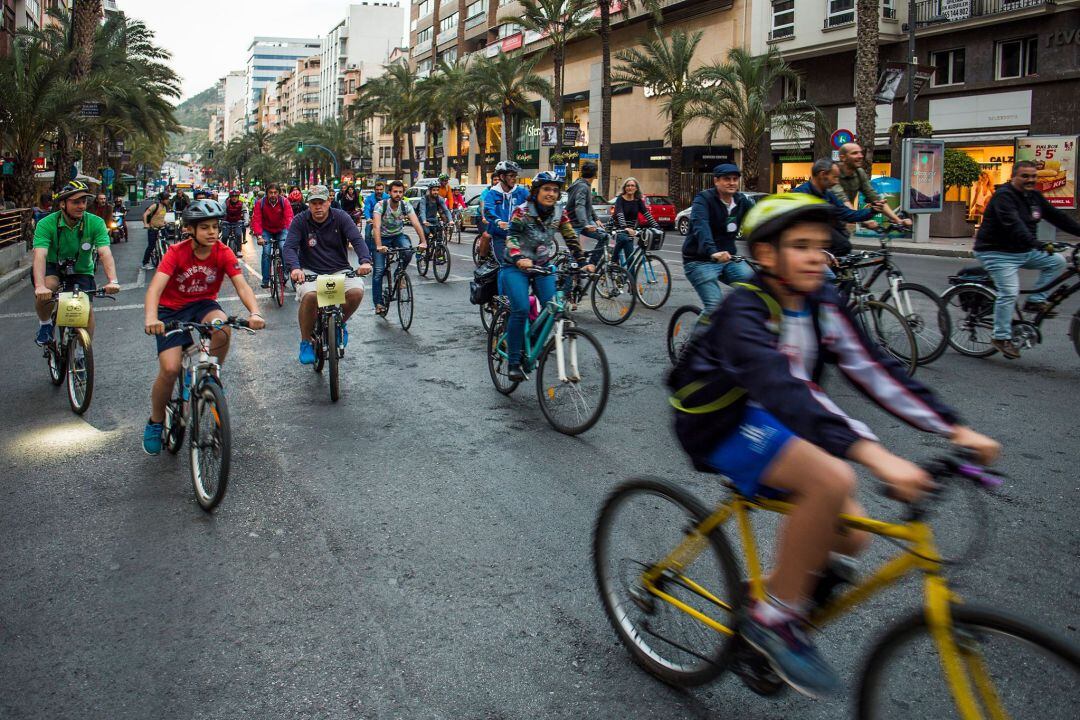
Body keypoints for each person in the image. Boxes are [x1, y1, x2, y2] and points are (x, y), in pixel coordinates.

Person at [668, 192, 1000, 697]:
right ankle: (773, 619)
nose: (815, 257)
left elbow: (873, 369)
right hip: (717, 422)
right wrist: (875, 455)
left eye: (821, 247)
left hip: (772, 415)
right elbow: (785, 388)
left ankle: (768, 594)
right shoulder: (744, 309)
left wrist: (954, 427)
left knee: (852, 537)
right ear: (764, 255)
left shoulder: (823, 301)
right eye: (800, 246)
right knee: (832, 478)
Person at [141, 199, 264, 455]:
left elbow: (242, 285)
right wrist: (152, 318)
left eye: (215, 227)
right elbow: (155, 288)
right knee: (171, 368)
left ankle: (212, 374)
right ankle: (155, 422)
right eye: (205, 227)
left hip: (203, 304)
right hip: (170, 310)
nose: (212, 232)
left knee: (223, 326)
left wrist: (254, 312)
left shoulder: (223, 251)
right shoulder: (176, 252)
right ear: (190, 230)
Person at [973, 160, 1080, 359]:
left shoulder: (1033, 196)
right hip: (997, 252)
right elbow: (1013, 225)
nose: (1030, 180)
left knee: (1057, 261)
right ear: (1014, 176)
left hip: (1023, 250)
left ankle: (1035, 301)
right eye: (1025, 176)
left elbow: (1058, 217)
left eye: (1033, 176)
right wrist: (1038, 243)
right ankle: (1001, 336)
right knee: (1010, 292)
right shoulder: (1003, 197)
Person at [502, 171, 591, 381]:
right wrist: (517, 257)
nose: (551, 193)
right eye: (546, 189)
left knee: (553, 306)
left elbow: (570, 237)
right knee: (521, 308)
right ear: (536, 191)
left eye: (555, 190)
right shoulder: (522, 212)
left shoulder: (559, 213)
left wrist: (583, 262)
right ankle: (513, 361)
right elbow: (512, 237)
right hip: (515, 267)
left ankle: (530, 343)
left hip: (542, 266)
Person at [283, 185, 373, 364]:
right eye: (314, 203)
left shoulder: (341, 217)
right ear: (308, 204)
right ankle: (306, 342)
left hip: (339, 270)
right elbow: (289, 247)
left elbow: (357, 239)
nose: (318, 207)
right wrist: (295, 268)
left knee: (356, 292)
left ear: (329, 202)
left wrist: (365, 260)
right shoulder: (300, 220)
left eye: (321, 202)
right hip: (309, 271)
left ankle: (340, 324)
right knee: (310, 296)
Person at [31, 181, 121, 346]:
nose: (81, 206)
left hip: (81, 269)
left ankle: (82, 352)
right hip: (52, 265)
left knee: (86, 311)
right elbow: (40, 255)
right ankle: (45, 324)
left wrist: (113, 280)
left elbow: (105, 253)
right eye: (75, 202)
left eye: (84, 201)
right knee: (49, 285)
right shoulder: (46, 224)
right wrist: (39, 286)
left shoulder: (95, 222)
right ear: (63, 204)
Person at [682, 164, 757, 320]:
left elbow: (761, 220)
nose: (732, 183)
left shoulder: (742, 201)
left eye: (735, 179)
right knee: (714, 308)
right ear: (716, 181)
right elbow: (700, 225)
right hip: (699, 261)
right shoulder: (704, 199)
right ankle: (695, 344)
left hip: (729, 259)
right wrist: (712, 251)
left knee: (758, 288)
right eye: (726, 179)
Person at [792, 159, 877, 259]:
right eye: (835, 177)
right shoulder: (801, 195)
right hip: (808, 250)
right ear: (823, 175)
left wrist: (872, 211)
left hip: (824, 243)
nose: (837, 182)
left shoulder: (828, 195)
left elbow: (846, 213)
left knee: (844, 247)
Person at [371, 180, 427, 315]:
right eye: (395, 191)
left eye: (400, 192)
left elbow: (416, 223)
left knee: (408, 251)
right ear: (389, 193)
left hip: (397, 236)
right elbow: (376, 227)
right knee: (379, 271)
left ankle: (399, 273)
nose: (398, 194)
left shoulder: (405, 205)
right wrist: (379, 246)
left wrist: (423, 242)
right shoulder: (380, 205)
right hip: (381, 238)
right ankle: (378, 303)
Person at [834, 143, 911, 228]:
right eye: (854, 153)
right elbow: (843, 200)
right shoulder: (834, 173)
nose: (860, 156)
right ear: (843, 157)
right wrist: (863, 221)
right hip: (826, 222)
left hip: (842, 223)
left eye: (860, 152)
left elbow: (874, 197)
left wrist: (898, 221)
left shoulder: (859, 173)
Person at [481, 161, 529, 267]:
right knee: (505, 265)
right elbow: (488, 210)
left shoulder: (522, 192)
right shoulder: (492, 193)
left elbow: (534, 203)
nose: (514, 178)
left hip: (519, 236)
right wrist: (498, 221)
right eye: (511, 176)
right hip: (500, 236)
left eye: (515, 176)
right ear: (502, 176)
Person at [251, 183, 294, 289]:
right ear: (267, 194)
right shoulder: (260, 203)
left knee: (283, 247)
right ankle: (265, 280)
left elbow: (289, 217)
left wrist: (292, 233)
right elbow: (256, 220)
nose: (273, 195)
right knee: (266, 252)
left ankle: (285, 272)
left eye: (275, 192)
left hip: (281, 229)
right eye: (271, 193)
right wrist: (259, 236)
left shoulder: (284, 202)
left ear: (279, 193)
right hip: (267, 230)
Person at [612, 177, 662, 266]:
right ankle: (614, 261)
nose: (630, 188)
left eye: (632, 186)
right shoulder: (620, 199)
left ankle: (631, 280)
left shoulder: (638, 201)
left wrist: (657, 227)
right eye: (628, 186)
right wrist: (625, 227)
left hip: (630, 231)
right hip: (618, 228)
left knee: (630, 260)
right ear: (624, 188)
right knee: (623, 238)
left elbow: (647, 214)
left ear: (636, 188)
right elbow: (620, 214)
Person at [565, 162, 608, 263]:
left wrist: (596, 218)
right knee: (574, 258)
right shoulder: (583, 187)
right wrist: (586, 224)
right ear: (595, 175)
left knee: (604, 236)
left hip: (579, 223)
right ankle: (590, 265)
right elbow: (579, 206)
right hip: (576, 225)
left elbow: (587, 205)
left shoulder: (580, 184)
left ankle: (590, 266)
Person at [141, 192, 170, 270]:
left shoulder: (164, 207)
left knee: (165, 242)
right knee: (151, 246)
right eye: (166, 199)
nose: (168, 200)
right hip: (153, 229)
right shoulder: (155, 206)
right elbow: (145, 214)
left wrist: (164, 222)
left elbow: (160, 217)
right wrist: (146, 224)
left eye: (168, 199)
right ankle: (145, 263)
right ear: (161, 199)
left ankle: (165, 259)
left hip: (161, 228)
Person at [362, 180, 387, 255]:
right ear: (374, 190)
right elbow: (367, 209)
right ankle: (367, 253)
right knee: (367, 234)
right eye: (377, 189)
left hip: (385, 220)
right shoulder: (369, 198)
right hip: (372, 220)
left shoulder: (387, 197)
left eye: (381, 189)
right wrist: (368, 218)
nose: (379, 191)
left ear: (383, 189)